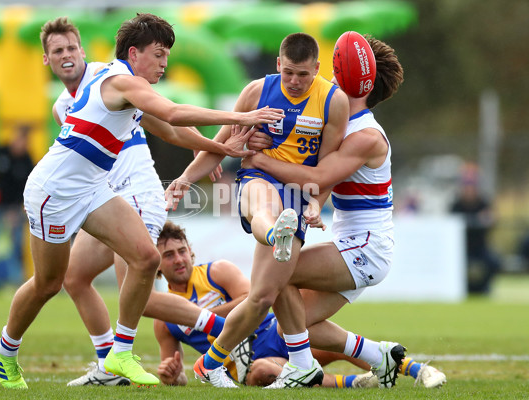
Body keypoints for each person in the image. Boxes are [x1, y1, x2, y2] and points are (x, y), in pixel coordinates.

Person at [0, 12, 285, 390]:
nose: (164, 63)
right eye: (158, 54)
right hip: (53, 193)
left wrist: (219, 147)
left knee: (146, 258)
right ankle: (6, 347)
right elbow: (173, 111)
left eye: (167, 56)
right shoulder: (121, 80)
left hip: (93, 188)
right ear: (134, 53)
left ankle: (119, 353)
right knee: (49, 283)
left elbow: (172, 128)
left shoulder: (116, 81)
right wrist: (245, 115)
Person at [36, 16, 225, 387]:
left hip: (135, 193)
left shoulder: (111, 79)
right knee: (75, 278)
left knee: (138, 297)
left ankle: (231, 327)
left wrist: (207, 146)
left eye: (72, 47)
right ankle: (109, 365)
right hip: (103, 200)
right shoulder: (62, 106)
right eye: (57, 51)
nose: (67, 55)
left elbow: (166, 119)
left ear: (84, 52)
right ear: (47, 60)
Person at [167, 32, 349, 388]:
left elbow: (326, 169)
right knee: (264, 204)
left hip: (299, 193)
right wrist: (186, 179)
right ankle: (274, 232)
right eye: (289, 73)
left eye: (304, 75)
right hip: (258, 176)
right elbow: (221, 143)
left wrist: (317, 205)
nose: (295, 82)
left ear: (317, 69)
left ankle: (211, 363)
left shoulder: (333, 102)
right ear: (278, 65)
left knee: (264, 296)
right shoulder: (256, 91)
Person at [239, 34, 415, 388]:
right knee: (293, 323)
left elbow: (318, 175)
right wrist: (254, 138)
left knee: (278, 274)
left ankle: (300, 371)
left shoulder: (365, 135)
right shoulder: (335, 120)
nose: (330, 79)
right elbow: (296, 149)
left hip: (365, 248)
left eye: (338, 72)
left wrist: (257, 159)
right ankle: (378, 357)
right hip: (351, 243)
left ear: (352, 79)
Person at [154, 221, 446, 389]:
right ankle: (355, 383)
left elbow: (255, 298)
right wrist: (172, 374)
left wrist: (198, 316)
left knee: (325, 339)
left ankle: (417, 369)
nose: (179, 259)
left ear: (191, 251)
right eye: (168, 255)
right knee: (262, 374)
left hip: (273, 333)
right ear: (156, 264)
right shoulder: (163, 318)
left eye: (182, 251)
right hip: (247, 364)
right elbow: (178, 373)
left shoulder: (216, 271)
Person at [0, 123, 34, 288]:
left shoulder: (27, 160)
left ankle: (14, 280)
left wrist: (17, 210)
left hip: (14, 209)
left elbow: (28, 188)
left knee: (15, 245)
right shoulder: (1, 152)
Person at [450, 162, 500, 294]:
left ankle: (484, 288)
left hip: (480, 247)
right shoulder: (456, 205)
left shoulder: (483, 203)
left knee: (494, 262)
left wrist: (489, 219)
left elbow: (492, 221)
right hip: (461, 248)